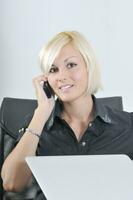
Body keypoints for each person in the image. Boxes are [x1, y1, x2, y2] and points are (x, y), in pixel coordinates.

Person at [1, 31, 133, 199]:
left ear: (89, 66)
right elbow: (12, 183)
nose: (61, 77)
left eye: (71, 65)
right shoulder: (37, 125)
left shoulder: (128, 125)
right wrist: (42, 111)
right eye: (53, 69)